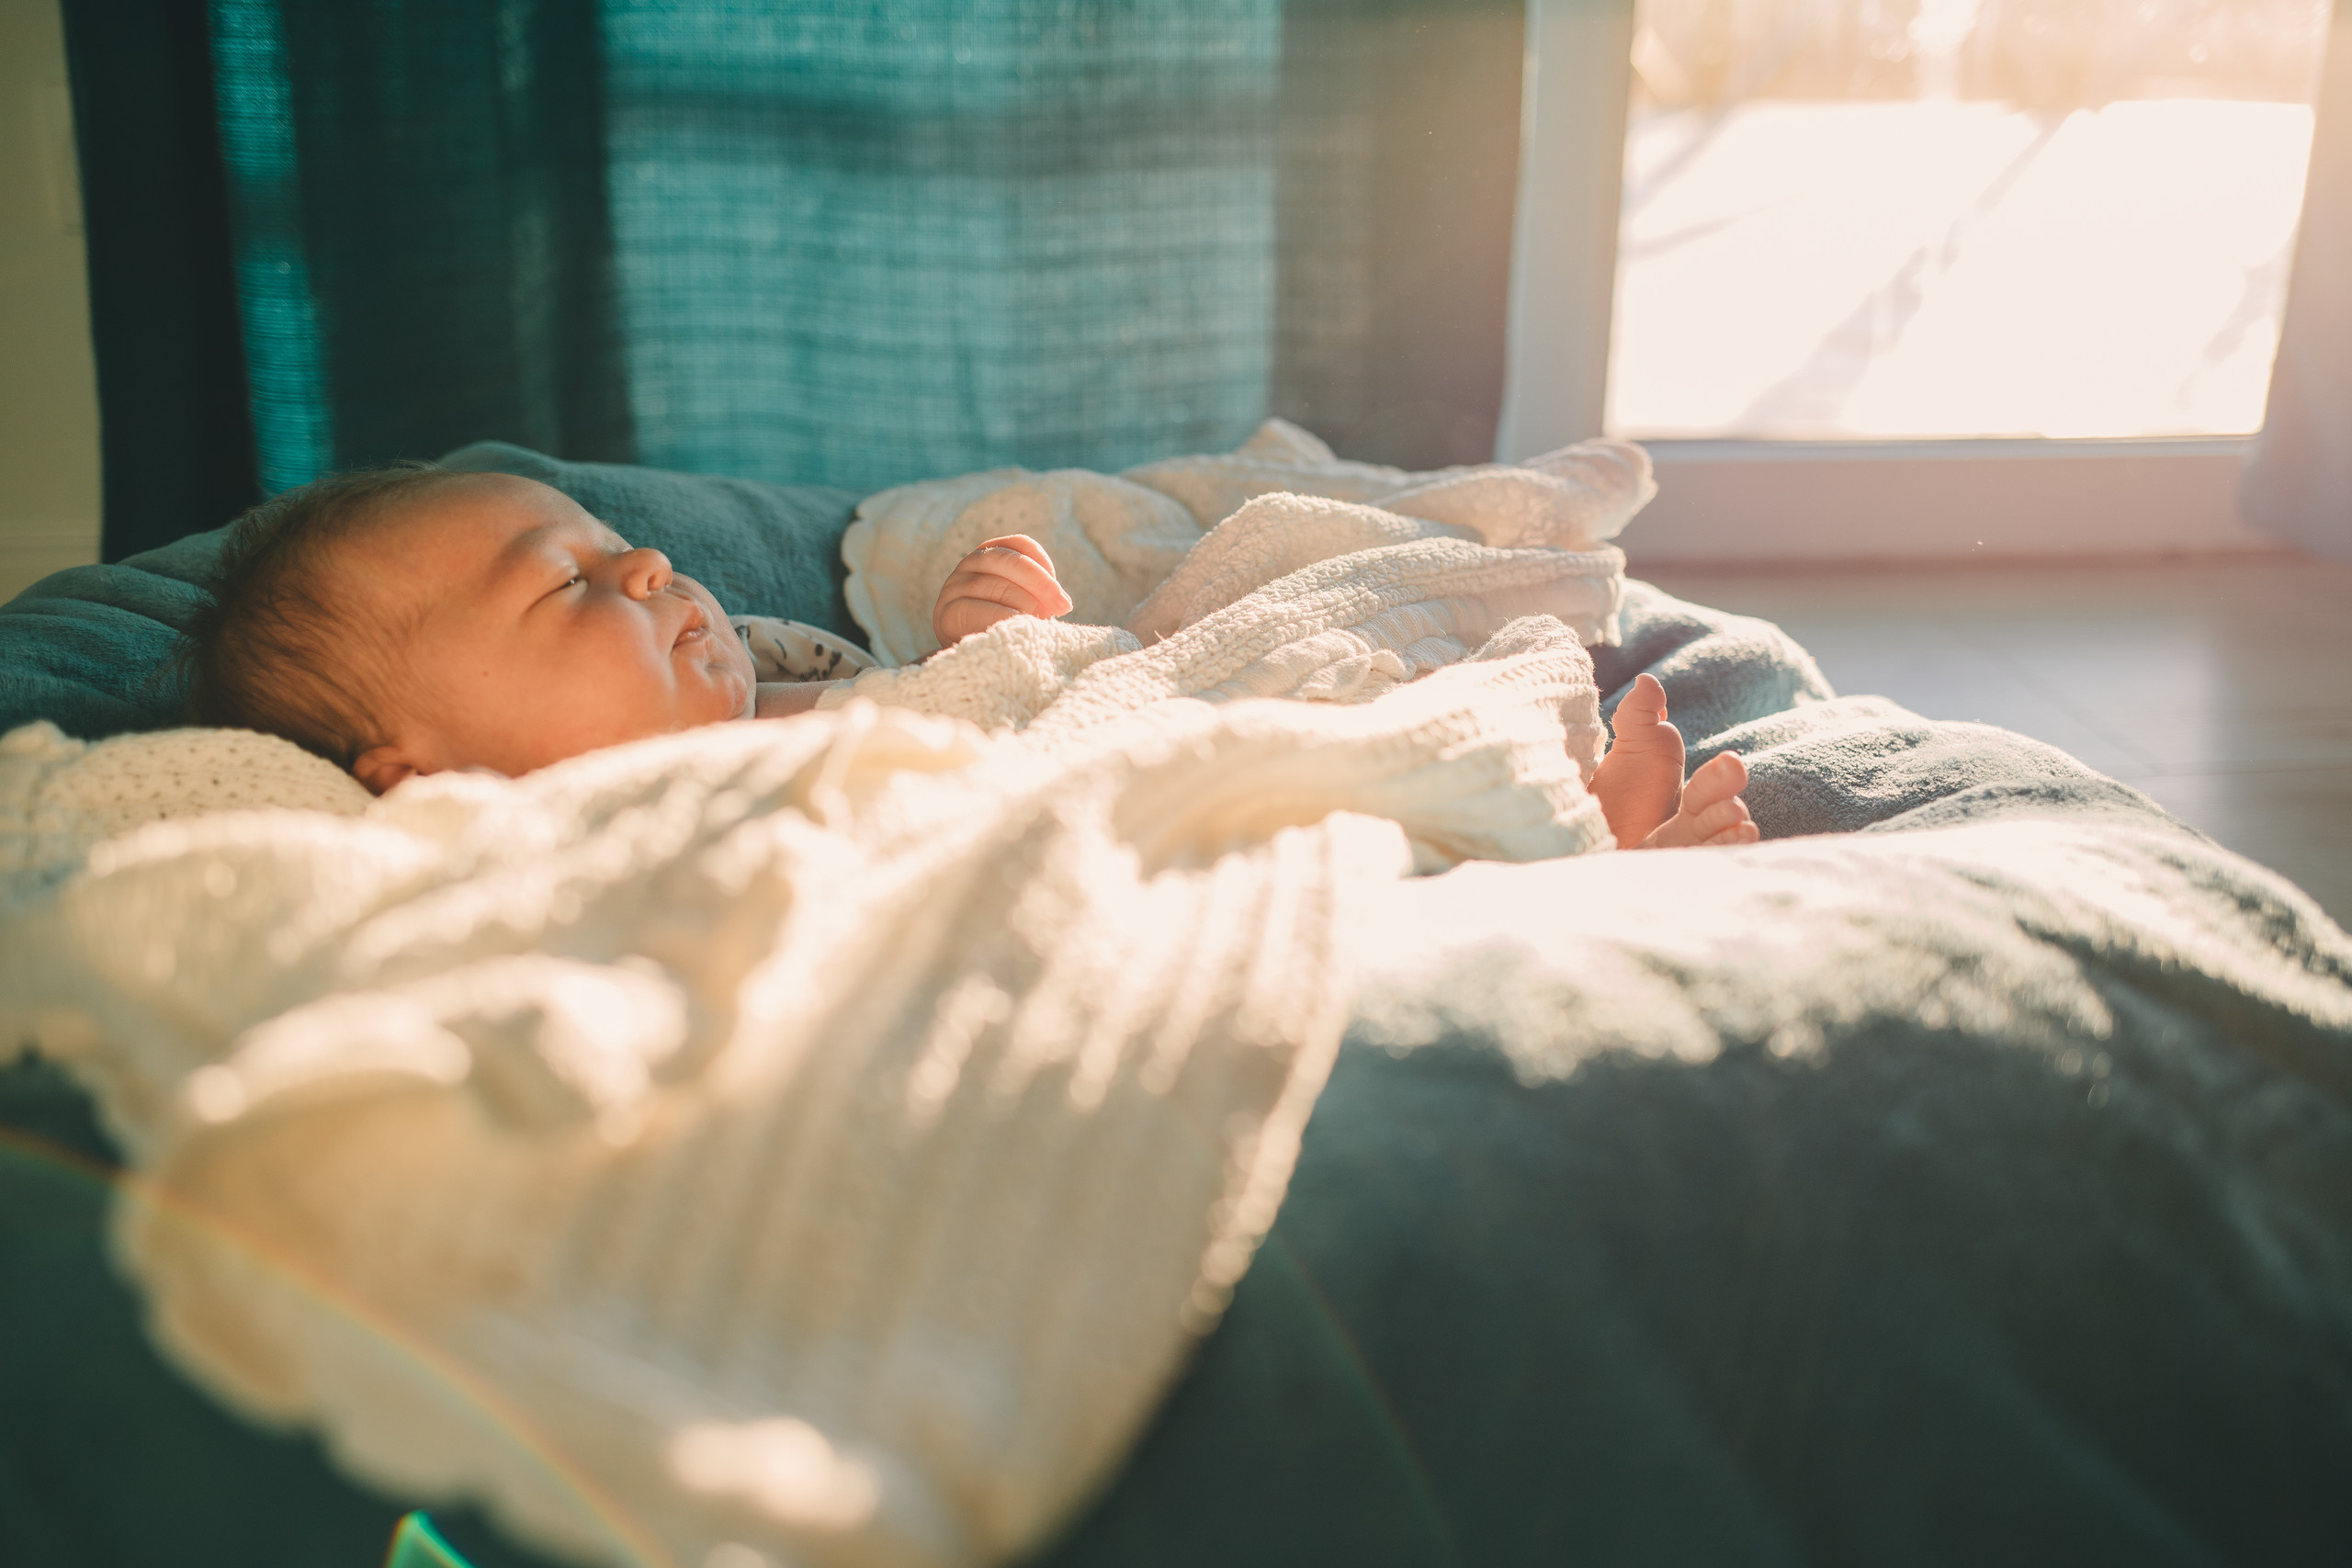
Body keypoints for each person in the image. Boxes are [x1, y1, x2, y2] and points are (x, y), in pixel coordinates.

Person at [184, 465, 1758, 850]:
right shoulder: (584, 820)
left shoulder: (776, 674)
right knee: (1280, 781)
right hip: (1097, 820)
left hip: (1114, 722)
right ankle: (1540, 832)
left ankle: (1492, 765)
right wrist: (1004, 682)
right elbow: (927, 799)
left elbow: (964, 700)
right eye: (572, 587)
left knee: (1278, 553)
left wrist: (987, 643)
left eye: (623, 537)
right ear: (422, 768)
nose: (652, 561)